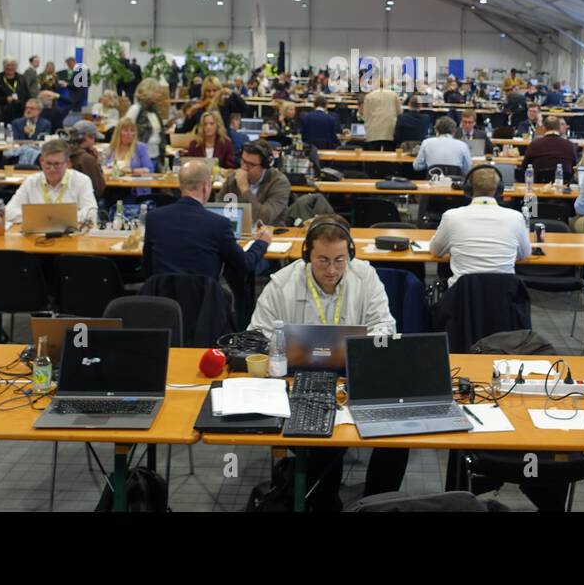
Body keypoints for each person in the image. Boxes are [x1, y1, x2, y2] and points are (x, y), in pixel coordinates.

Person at [251, 215, 405, 510]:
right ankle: (324, 502)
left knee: (398, 432)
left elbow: (386, 329)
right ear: (307, 253)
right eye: (322, 260)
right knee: (320, 441)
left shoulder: (366, 276)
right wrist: (283, 346)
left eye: (340, 260)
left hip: (354, 376)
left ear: (350, 254)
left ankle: (376, 502)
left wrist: (367, 349)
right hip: (298, 379)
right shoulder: (282, 283)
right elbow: (256, 334)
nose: (332, 270)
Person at [142, 158, 271, 280]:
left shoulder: (154, 218)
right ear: (206, 186)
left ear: (180, 186)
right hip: (204, 299)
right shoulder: (219, 224)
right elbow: (244, 264)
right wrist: (262, 243)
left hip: (164, 298)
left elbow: (147, 267)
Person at [429, 165, 530, 283]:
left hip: (463, 297)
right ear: (499, 190)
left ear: (468, 189)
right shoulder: (516, 218)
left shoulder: (451, 217)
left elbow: (435, 251)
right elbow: (524, 254)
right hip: (503, 298)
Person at [4, 138, 98, 227]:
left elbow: (91, 213)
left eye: (57, 164)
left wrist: (52, 218)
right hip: (36, 236)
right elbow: (8, 212)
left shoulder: (82, 181)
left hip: (70, 235)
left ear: (67, 163)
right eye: (48, 164)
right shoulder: (31, 181)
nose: (52, 169)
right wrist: (45, 218)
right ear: (41, 161)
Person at [220, 140, 291, 226]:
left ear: (265, 165)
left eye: (251, 164)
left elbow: (264, 219)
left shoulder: (279, 183)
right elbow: (219, 211)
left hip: (270, 235)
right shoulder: (233, 179)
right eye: (243, 160)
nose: (244, 167)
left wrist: (245, 190)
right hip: (239, 232)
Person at [124, 80, 168, 170]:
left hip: (157, 156)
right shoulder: (136, 109)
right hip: (140, 157)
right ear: (149, 92)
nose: (160, 95)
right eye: (157, 92)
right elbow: (124, 129)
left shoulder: (155, 111)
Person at [522, 115, 578, 183]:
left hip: (539, 183)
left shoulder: (534, 144)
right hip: (563, 183)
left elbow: (524, 166)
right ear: (558, 128)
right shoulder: (569, 145)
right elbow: (574, 165)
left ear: (544, 128)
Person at [66, 120, 107, 201]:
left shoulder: (64, 153)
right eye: (94, 138)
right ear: (88, 137)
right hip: (86, 203)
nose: (95, 142)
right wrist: (97, 162)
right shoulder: (87, 159)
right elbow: (99, 189)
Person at [0, 57, 31, 127]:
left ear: (16, 67)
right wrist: (5, 99)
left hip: (19, 113)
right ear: (4, 66)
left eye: (13, 65)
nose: (10, 68)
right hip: (0, 115)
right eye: (8, 65)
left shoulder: (22, 79)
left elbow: (28, 96)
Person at [361, 82, 401, 148]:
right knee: (389, 154)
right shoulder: (394, 95)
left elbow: (365, 115)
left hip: (373, 130)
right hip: (390, 129)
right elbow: (399, 112)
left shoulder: (369, 96)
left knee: (373, 154)